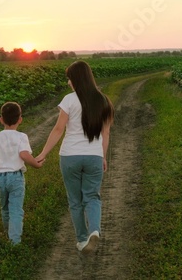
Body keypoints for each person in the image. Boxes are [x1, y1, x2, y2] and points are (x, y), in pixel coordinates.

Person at [35, 61, 114, 254]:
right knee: (92, 196)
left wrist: (43, 153)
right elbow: (106, 134)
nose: (69, 82)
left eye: (70, 78)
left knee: (75, 200)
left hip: (70, 156)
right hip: (94, 156)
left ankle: (81, 239)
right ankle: (94, 230)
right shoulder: (103, 100)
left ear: (76, 79)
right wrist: (102, 157)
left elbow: (58, 129)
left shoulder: (69, 100)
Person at [0, 102, 44, 245]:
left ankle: (8, 233)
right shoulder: (21, 137)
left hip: (0, 177)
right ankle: (15, 241)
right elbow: (24, 155)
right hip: (16, 177)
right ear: (20, 119)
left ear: (1, 119)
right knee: (16, 209)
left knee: (5, 207)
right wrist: (36, 164)